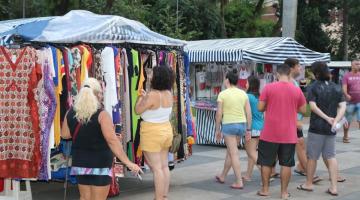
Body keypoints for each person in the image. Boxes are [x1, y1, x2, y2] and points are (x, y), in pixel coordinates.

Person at [61, 78, 142, 200]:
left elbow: (65, 135)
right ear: (97, 94)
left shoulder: (71, 113)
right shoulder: (102, 115)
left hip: (80, 163)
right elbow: (112, 141)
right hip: (100, 164)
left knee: (84, 197)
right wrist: (128, 162)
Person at [257, 64, 307, 199]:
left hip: (269, 133)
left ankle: (265, 190)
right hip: (289, 134)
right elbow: (304, 110)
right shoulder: (296, 90)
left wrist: (270, 104)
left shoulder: (268, 87)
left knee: (266, 162)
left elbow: (260, 107)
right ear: (289, 73)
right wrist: (291, 106)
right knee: (286, 164)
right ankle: (284, 193)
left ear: (277, 74)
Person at [297, 61, 346, 196]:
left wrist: (326, 118)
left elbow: (312, 107)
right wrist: (334, 120)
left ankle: (308, 184)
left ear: (316, 73)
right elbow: (343, 107)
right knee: (331, 156)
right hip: (332, 128)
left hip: (317, 127)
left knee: (312, 157)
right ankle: (334, 187)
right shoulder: (336, 87)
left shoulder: (313, 87)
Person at [135, 65, 175, 200]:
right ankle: (164, 195)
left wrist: (140, 98)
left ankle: (158, 198)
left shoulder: (152, 94)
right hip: (166, 130)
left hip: (152, 132)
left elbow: (137, 110)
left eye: (152, 74)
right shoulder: (169, 93)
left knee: (156, 168)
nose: (150, 76)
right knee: (164, 166)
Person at [284, 58, 322, 183]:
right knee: (300, 144)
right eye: (298, 65)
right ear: (291, 68)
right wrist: (295, 120)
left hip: (294, 119)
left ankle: (301, 167)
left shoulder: (294, 82)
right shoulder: (288, 82)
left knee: (296, 144)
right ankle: (308, 172)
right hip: (291, 120)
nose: (300, 68)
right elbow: (288, 104)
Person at [215, 69, 252, 189]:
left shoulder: (223, 94)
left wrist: (217, 129)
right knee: (231, 152)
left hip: (229, 125)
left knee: (233, 153)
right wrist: (248, 129)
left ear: (227, 80)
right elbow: (248, 113)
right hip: (241, 125)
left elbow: (219, 114)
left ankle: (238, 181)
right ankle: (223, 176)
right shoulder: (243, 93)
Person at [243, 76, 263, 181]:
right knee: (252, 152)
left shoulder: (247, 97)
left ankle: (265, 172)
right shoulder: (260, 96)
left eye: (246, 83)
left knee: (250, 152)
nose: (245, 84)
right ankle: (248, 175)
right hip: (261, 127)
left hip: (252, 127)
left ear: (250, 84)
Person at [342, 59, 360, 143]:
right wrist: (346, 95)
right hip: (350, 102)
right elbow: (344, 88)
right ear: (352, 66)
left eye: (359, 64)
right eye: (357, 64)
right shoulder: (346, 76)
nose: (358, 65)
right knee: (347, 121)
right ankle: (345, 135)